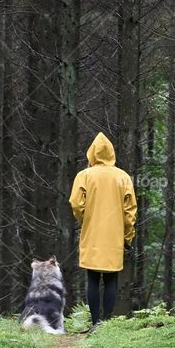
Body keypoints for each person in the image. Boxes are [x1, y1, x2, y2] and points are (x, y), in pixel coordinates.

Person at [69, 132, 137, 328]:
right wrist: (128, 236)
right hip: (114, 235)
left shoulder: (84, 175)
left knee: (92, 277)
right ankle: (106, 323)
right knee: (111, 278)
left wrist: (85, 219)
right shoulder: (122, 177)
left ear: (92, 153)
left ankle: (95, 322)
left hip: (92, 233)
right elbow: (130, 211)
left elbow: (75, 204)